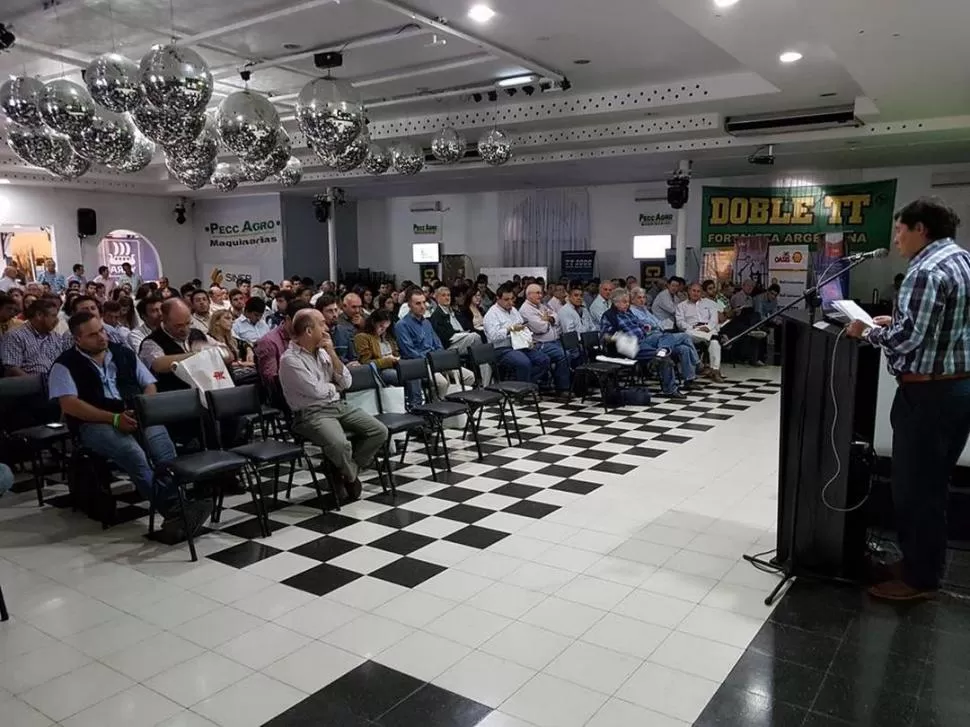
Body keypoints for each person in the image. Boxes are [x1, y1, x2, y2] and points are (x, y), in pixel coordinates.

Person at [846, 197, 970, 601]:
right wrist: (895, 321)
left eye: (900, 230)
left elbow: (909, 338)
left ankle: (919, 581)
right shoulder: (961, 260)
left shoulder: (925, 270)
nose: (896, 238)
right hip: (956, 388)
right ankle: (921, 563)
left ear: (922, 230)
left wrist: (867, 332)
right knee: (932, 486)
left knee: (915, 489)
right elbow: (938, 326)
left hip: (928, 394)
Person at [49, 311, 210, 536]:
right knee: (133, 453)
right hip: (95, 422)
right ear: (78, 339)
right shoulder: (65, 365)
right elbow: (69, 405)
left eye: (102, 330)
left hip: (136, 414)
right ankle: (175, 510)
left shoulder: (123, 354)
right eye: (93, 335)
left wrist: (145, 410)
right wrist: (113, 418)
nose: (102, 337)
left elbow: (149, 385)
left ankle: (178, 506)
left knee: (164, 449)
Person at [279, 309, 388, 501]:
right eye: (321, 323)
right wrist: (334, 387)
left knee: (379, 431)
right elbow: (315, 391)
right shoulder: (290, 360)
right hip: (311, 413)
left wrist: (331, 353)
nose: (327, 327)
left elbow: (347, 382)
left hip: (337, 405)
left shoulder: (323, 352)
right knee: (339, 444)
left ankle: (340, 468)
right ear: (309, 331)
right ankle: (351, 476)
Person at [599, 289, 687, 399]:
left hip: (644, 338)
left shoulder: (628, 312)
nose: (627, 304)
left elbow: (638, 324)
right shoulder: (609, 316)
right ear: (615, 302)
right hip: (629, 345)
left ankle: (662, 350)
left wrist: (644, 327)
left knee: (666, 335)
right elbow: (604, 337)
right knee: (666, 359)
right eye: (624, 302)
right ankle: (670, 390)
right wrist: (618, 337)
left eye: (628, 301)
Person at [396, 289, 475, 404]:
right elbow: (409, 352)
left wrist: (439, 359)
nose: (423, 306)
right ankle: (438, 411)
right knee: (441, 383)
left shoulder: (427, 323)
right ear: (409, 305)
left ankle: (456, 405)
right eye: (418, 303)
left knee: (469, 376)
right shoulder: (402, 325)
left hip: (436, 359)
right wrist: (433, 360)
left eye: (424, 302)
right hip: (420, 364)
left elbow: (438, 344)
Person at [483, 284, 551, 385]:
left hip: (519, 345)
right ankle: (522, 388)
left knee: (544, 360)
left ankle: (523, 384)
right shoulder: (491, 314)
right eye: (506, 299)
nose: (510, 302)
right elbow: (493, 337)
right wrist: (509, 329)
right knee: (524, 362)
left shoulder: (513, 310)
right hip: (501, 349)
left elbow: (522, 326)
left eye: (512, 299)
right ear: (498, 299)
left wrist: (528, 340)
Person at [519, 283, 571, 393]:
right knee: (564, 355)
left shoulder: (541, 305)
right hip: (539, 344)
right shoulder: (525, 310)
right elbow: (540, 328)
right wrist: (549, 321)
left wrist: (549, 319)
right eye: (537, 293)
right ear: (529, 295)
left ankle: (552, 382)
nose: (541, 295)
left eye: (541, 293)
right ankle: (562, 387)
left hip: (553, 341)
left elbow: (556, 317)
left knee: (572, 351)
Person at [139, 298, 199, 392]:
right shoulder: (151, 342)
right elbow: (158, 364)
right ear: (164, 320)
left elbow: (226, 354)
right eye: (178, 325)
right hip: (175, 396)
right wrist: (197, 355)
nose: (185, 329)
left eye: (188, 323)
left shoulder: (197, 334)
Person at [1, 297, 67, 377]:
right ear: (39, 315)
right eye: (53, 316)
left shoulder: (56, 337)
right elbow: (12, 368)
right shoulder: (15, 336)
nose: (56, 320)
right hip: (29, 385)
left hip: (56, 383)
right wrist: (39, 384)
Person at [255, 299, 312, 386]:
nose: (305, 327)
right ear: (288, 319)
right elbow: (271, 380)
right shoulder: (269, 341)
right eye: (302, 323)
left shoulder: (306, 336)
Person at [676, 283, 725, 382]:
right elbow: (680, 322)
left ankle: (715, 371)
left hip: (707, 329)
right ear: (689, 291)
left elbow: (714, 318)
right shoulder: (681, 306)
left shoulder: (709, 303)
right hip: (692, 331)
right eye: (693, 291)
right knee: (710, 338)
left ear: (701, 293)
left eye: (698, 291)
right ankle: (714, 338)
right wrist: (693, 328)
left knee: (715, 344)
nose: (696, 293)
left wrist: (707, 327)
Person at [354, 310, 400, 385]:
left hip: (394, 366)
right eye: (381, 326)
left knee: (412, 373)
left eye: (386, 327)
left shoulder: (388, 336)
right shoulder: (362, 337)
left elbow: (396, 353)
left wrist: (397, 358)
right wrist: (389, 361)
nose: (383, 330)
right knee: (400, 376)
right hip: (379, 371)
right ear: (373, 322)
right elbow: (365, 362)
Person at [430, 285, 480, 354]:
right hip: (450, 345)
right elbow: (445, 338)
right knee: (475, 337)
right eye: (443, 295)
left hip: (461, 337)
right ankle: (481, 363)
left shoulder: (453, 311)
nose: (447, 298)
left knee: (476, 336)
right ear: (438, 298)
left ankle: (477, 362)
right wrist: (462, 334)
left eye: (448, 295)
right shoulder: (437, 315)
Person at [208, 309, 256, 380]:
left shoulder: (230, 339)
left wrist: (249, 349)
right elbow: (216, 363)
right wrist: (241, 364)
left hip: (238, 370)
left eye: (232, 319)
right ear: (216, 322)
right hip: (222, 375)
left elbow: (244, 343)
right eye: (227, 318)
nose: (232, 321)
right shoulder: (209, 339)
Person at [333, 293, 363, 362]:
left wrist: (362, 325)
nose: (357, 310)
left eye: (359, 307)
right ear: (344, 306)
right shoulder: (337, 321)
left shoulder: (364, 317)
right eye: (354, 307)